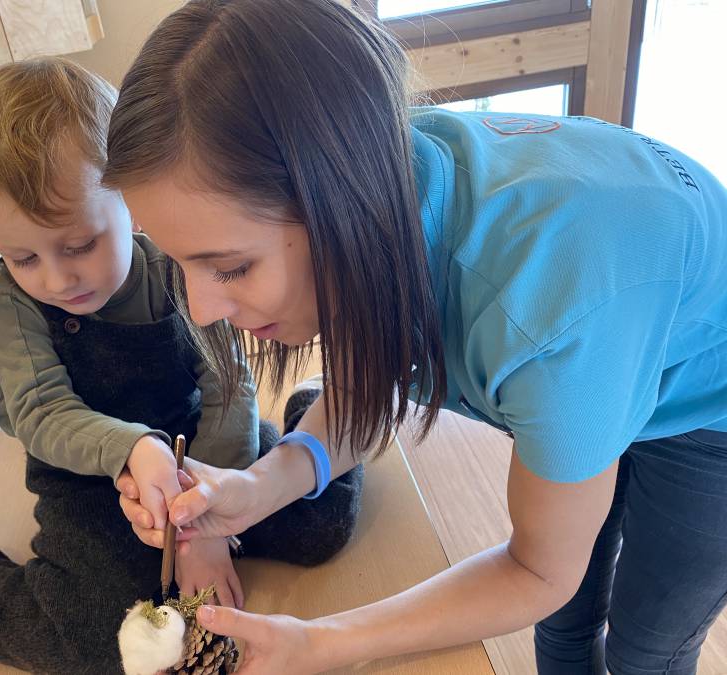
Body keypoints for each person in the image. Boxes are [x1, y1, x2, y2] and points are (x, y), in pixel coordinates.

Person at [104, 1, 727, 674]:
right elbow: (364, 385)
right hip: (614, 330)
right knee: (566, 623)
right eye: (180, 261)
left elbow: (538, 570)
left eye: (231, 266)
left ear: (337, 200)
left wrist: (322, 641)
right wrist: (256, 488)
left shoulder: (545, 324)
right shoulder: (388, 182)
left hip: (706, 400)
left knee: (647, 646)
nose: (199, 309)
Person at [0, 57, 362, 674]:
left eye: (80, 245)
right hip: (86, 475)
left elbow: (230, 392)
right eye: (23, 256)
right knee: (91, 637)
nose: (58, 277)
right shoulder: (8, 300)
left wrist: (200, 523)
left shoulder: (178, 263)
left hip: (200, 446)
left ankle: (315, 415)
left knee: (321, 527)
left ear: (133, 202)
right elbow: (42, 415)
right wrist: (132, 450)